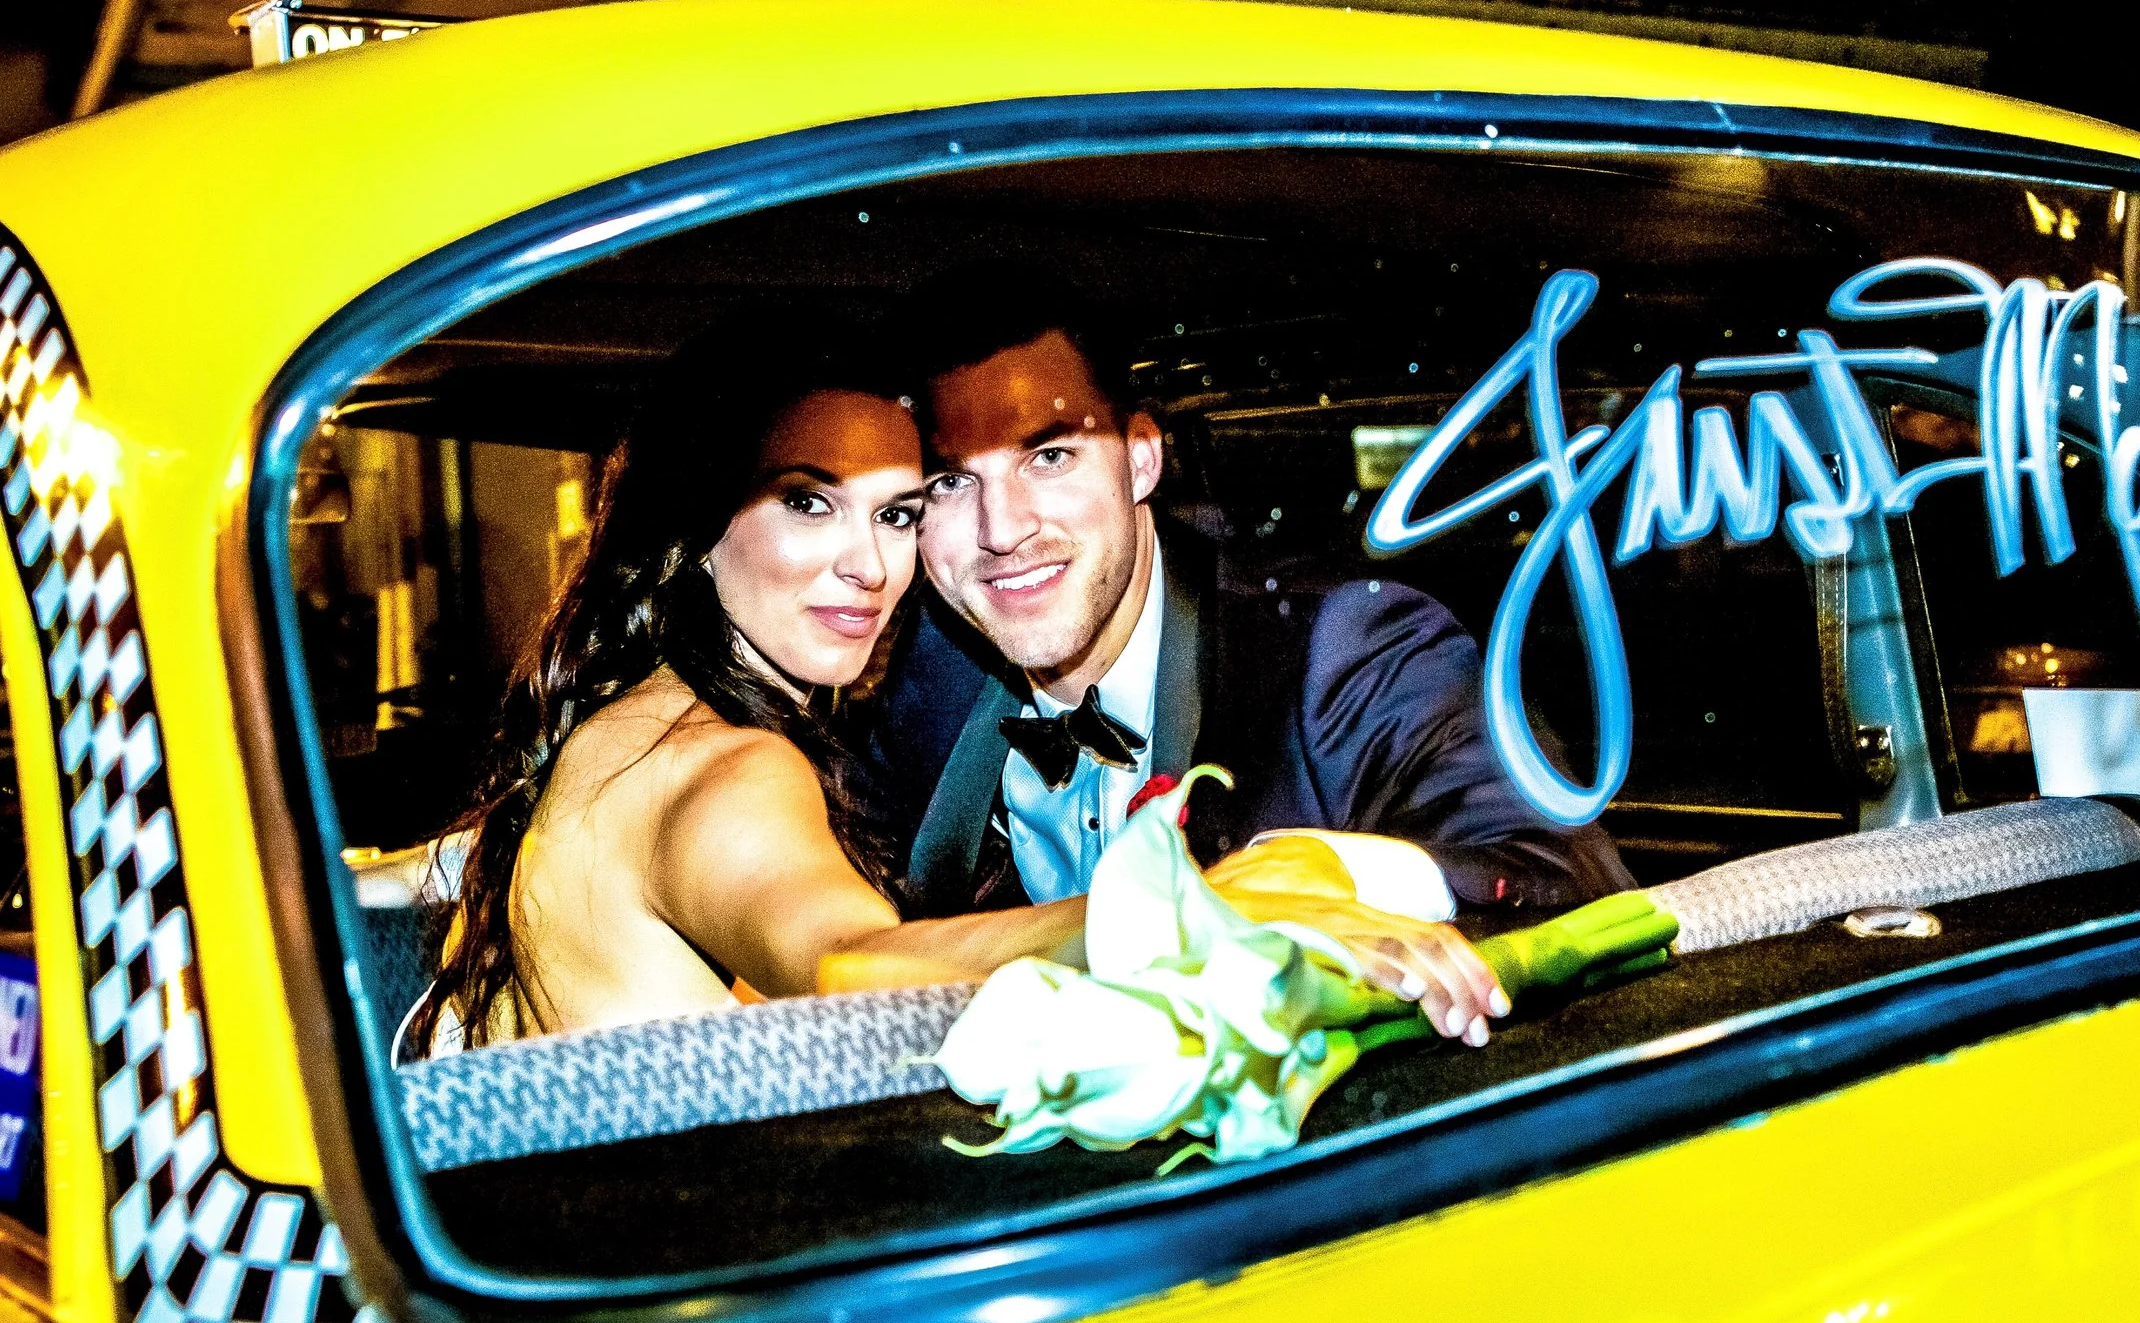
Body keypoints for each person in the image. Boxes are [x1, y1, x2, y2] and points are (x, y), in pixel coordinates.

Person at [416, 322, 1503, 1056]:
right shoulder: (729, 768)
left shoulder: (631, 728)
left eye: (896, 513)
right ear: (698, 522)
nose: (868, 564)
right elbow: (850, 958)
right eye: (809, 502)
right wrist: (1207, 911)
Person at [871, 276, 1630, 1030]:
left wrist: (1313, 877)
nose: (1003, 530)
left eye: (1050, 457)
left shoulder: (1339, 643)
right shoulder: (920, 695)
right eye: (950, 482)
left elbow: (1570, 875)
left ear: (1142, 459)